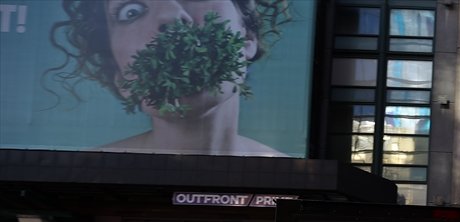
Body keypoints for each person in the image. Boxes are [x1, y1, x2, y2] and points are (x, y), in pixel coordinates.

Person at [49, 0, 290, 156]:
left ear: (247, 39)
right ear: (121, 80)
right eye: (131, 11)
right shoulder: (92, 170)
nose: (172, 16)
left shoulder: (285, 173)